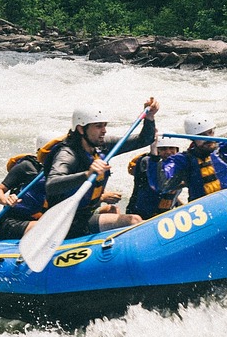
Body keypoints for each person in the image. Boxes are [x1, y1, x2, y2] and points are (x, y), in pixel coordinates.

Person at [44, 98, 160, 239]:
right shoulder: (68, 154)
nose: (104, 131)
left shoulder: (102, 145)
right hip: (66, 222)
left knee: (114, 212)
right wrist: (87, 174)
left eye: (104, 125)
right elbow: (51, 185)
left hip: (86, 215)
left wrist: (149, 118)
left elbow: (144, 140)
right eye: (98, 126)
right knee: (134, 220)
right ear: (81, 129)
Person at [0, 134, 60, 240]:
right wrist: (6, 200)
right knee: (46, 227)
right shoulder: (26, 167)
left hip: (40, 221)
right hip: (13, 222)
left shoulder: (61, 171)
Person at [126, 135, 184, 219]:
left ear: (177, 150)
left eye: (171, 148)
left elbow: (169, 194)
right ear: (157, 151)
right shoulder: (146, 163)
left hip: (164, 217)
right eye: (163, 149)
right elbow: (160, 183)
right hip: (141, 217)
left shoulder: (179, 165)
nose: (168, 152)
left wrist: (181, 205)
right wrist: (154, 155)